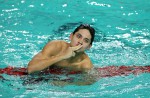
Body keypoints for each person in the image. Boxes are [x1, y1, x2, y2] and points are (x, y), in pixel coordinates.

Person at [27, 24, 95, 74]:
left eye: (86, 40)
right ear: (71, 36)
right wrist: (62, 56)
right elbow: (30, 69)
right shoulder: (55, 47)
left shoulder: (85, 65)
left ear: (89, 47)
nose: (80, 42)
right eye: (78, 36)